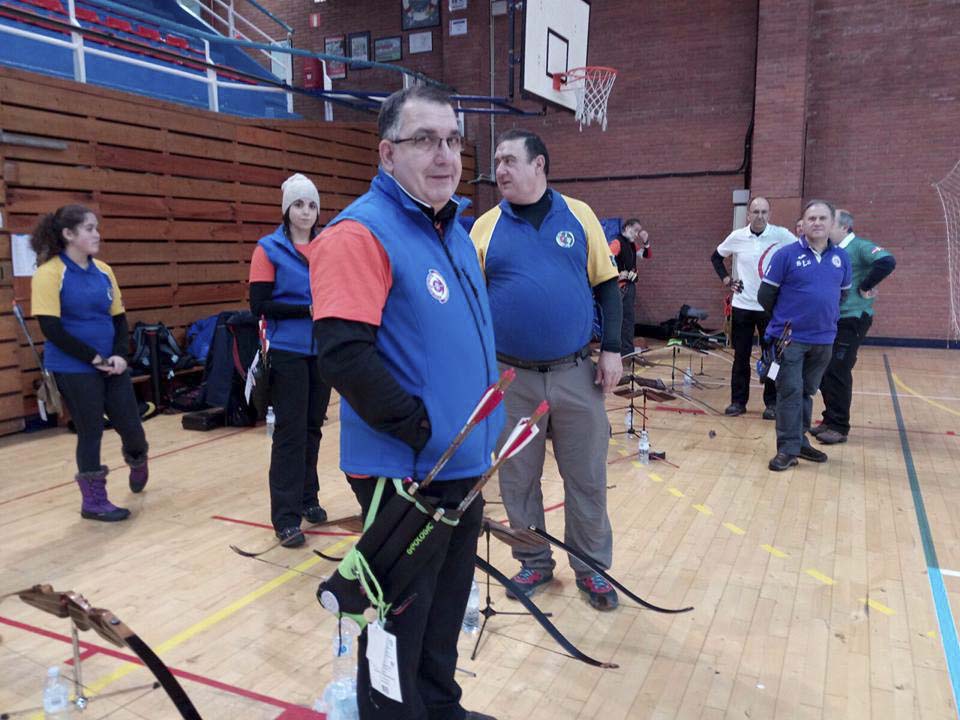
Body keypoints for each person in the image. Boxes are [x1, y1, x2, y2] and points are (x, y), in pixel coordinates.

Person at [309, 86, 500, 720]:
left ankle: (440, 709)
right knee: (399, 617)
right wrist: (419, 429)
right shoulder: (359, 233)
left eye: (452, 140)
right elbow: (344, 356)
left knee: (445, 606)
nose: (444, 155)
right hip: (408, 472)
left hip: (460, 463)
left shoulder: (454, 230)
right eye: (425, 141)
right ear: (388, 153)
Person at [471, 129, 623, 612]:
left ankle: (591, 567)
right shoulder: (485, 227)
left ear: (539, 165)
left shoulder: (579, 215)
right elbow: (470, 305)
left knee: (587, 477)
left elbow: (607, 286)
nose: (500, 169)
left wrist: (613, 349)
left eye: (510, 160)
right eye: (497, 161)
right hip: (510, 379)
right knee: (517, 479)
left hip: (577, 373)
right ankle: (533, 560)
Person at [30, 205, 149, 522]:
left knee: (131, 426)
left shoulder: (104, 271)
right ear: (68, 234)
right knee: (90, 430)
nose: (97, 234)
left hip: (112, 364)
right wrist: (93, 358)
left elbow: (119, 319)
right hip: (72, 367)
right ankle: (94, 502)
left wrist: (120, 355)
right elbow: (51, 328)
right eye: (89, 228)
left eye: (96, 227)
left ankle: (138, 458)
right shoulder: (49, 273)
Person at [248, 173, 331, 548]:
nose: (306, 211)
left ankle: (307, 497)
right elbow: (259, 305)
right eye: (298, 204)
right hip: (287, 352)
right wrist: (305, 310)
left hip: (322, 351)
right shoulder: (268, 249)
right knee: (290, 433)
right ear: (286, 209)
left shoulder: (327, 246)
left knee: (313, 428)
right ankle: (285, 516)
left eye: (312, 205)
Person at [758, 200, 852, 471]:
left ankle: (799, 441)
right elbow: (765, 296)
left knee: (807, 392)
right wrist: (788, 318)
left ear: (832, 223)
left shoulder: (841, 258)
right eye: (812, 218)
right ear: (803, 223)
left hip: (823, 340)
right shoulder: (785, 255)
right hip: (790, 340)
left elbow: (842, 294)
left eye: (823, 218)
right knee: (790, 392)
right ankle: (787, 449)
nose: (817, 223)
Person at [812, 208, 896, 444]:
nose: (824, 226)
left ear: (844, 227)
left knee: (838, 369)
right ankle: (830, 418)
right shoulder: (831, 250)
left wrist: (865, 285)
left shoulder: (859, 247)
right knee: (824, 370)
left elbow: (887, 261)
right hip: (832, 319)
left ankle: (839, 427)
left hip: (853, 318)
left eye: (830, 223)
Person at [711, 196, 796, 419]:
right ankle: (738, 402)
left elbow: (800, 253)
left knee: (773, 357)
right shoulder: (737, 236)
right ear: (748, 215)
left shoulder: (781, 235)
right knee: (741, 356)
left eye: (764, 212)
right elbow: (716, 258)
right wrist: (727, 280)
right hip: (742, 306)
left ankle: (772, 403)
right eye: (756, 212)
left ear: (770, 214)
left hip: (770, 309)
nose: (760, 216)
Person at [608, 218, 651, 355]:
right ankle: (620, 351)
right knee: (621, 320)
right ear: (627, 228)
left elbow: (646, 255)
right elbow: (607, 258)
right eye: (635, 230)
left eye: (639, 231)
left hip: (630, 287)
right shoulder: (617, 242)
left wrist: (646, 242)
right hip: (620, 288)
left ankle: (626, 351)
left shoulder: (632, 245)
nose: (637, 234)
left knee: (628, 320)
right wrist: (617, 274)